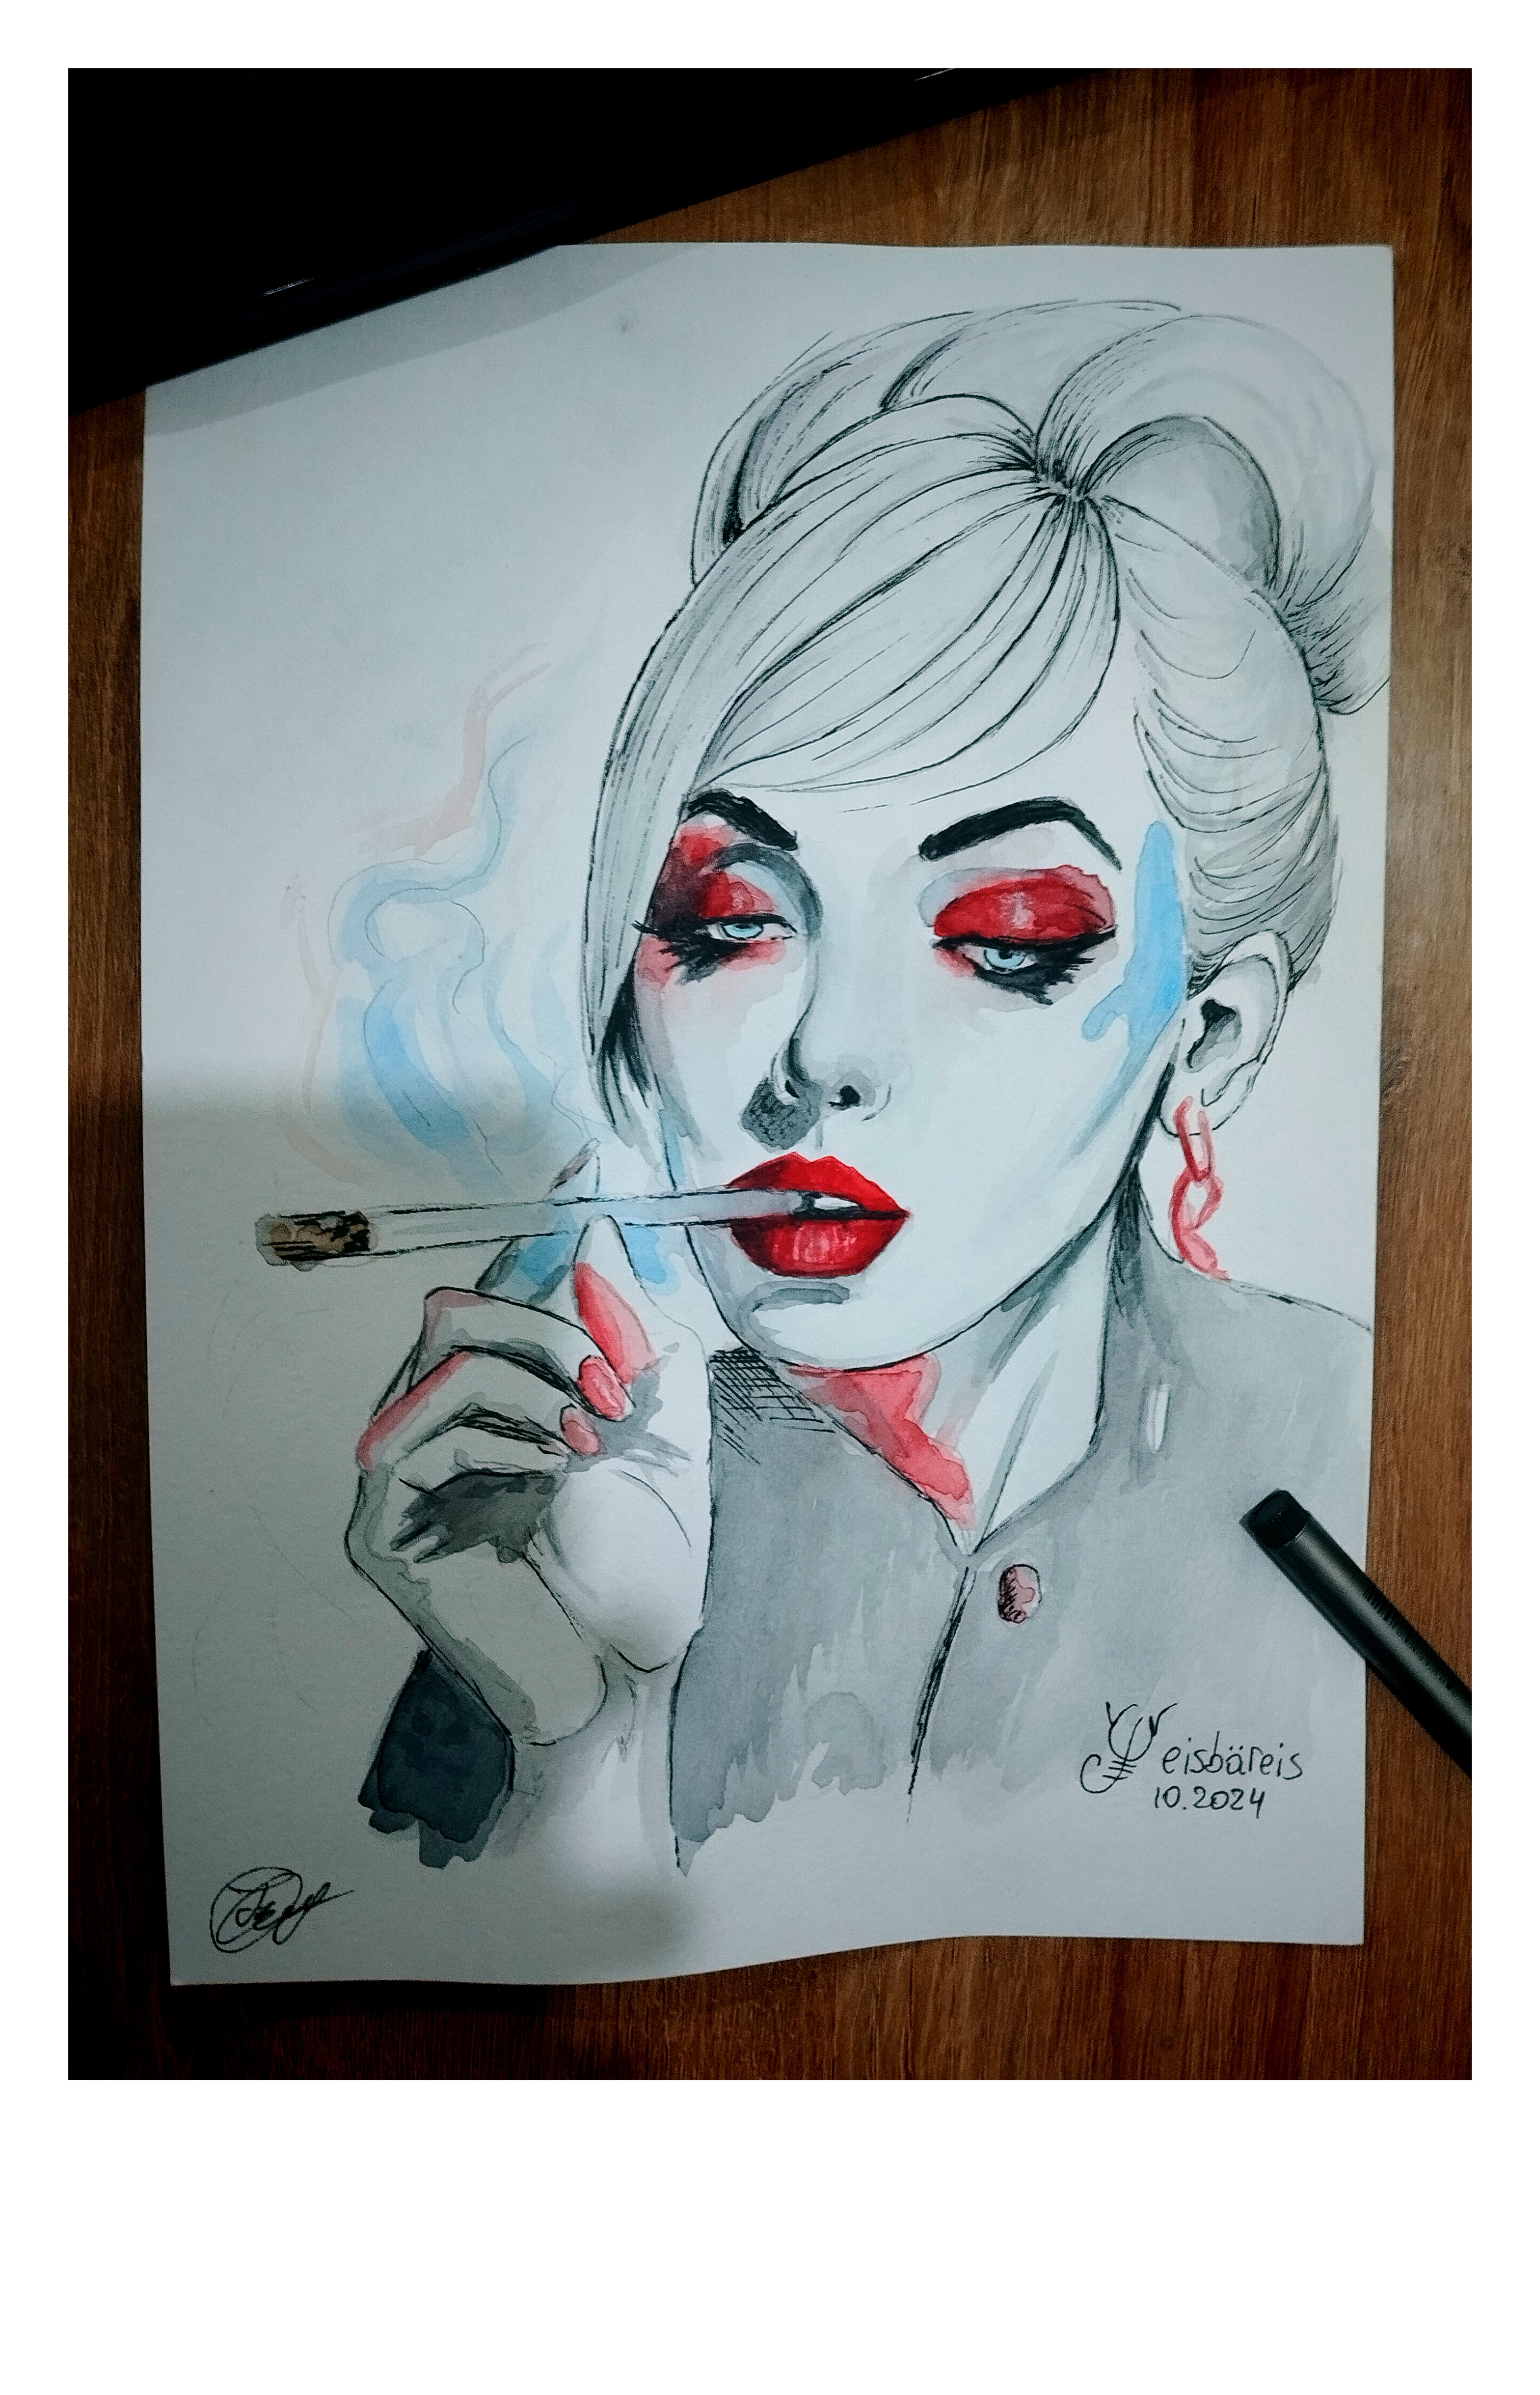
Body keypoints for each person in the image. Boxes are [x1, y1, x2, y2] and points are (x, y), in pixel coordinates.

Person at [345, 302, 1385, 1879]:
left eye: (1006, 939)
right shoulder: (558, 1507)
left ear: (1211, 1034)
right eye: (729, 921)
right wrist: (570, 1717)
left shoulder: (1368, 1450)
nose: (823, 1052)